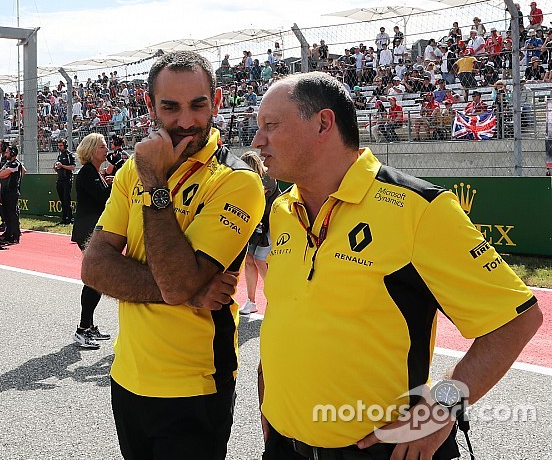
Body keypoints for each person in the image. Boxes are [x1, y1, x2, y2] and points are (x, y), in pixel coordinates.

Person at [252, 72, 542, 459]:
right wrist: (269, 387)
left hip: (377, 451)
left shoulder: (417, 208)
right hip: (285, 445)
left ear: (323, 123)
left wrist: (439, 412)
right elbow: (292, 311)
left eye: (271, 126)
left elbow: (516, 320)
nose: (258, 142)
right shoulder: (283, 210)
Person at [81, 51, 265, 459]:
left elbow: (178, 281)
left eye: (198, 105)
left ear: (216, 101)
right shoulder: (134, 169)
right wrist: (181, 292)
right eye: (170, 107)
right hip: (127, 377)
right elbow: (94, 266)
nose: (185, 121)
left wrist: (154, 182)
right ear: (149, 105)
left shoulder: (237, 181)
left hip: (194, 388)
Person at [71, 133, 113, 349]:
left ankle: (88, 325)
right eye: (102, 147)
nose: (106, 150)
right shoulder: (87, 172)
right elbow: (105, 199)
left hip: (94, 231)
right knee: (94, 280)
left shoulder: (94, 172)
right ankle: (82, 329)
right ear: (91, 150)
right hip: (88, 232)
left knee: (96, 280)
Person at [238, 151, 279, 315]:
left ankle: (274, 298)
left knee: (260, 260)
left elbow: (256, 196)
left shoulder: (268, 177)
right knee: (248, 259)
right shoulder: (248, 179)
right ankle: (251, 301)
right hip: (256, 223)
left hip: (270, 222)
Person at [0, 145, 25, 244]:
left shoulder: (15, 164)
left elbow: (2, 174)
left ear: (13, 153)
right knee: (6, 214)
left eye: (8, 152)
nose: (6, 154)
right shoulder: (8, 163)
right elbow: (2, 174)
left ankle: (15, 235)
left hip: (11, 192)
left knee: (12, 214)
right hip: (5, 191)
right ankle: (8, 233)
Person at [54, 139, 76, 224]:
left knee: (67, 200)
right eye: (58, 146)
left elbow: (72, 167)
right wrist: (56, 167)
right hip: (60, 180)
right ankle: (64, 218)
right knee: (62, 200)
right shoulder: (59, 156)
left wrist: (62, 166)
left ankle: (70, 218)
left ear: (65, 146)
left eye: (61, 146)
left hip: (67, 180)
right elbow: (58, 169)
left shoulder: (69, 155)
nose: (59, 147)